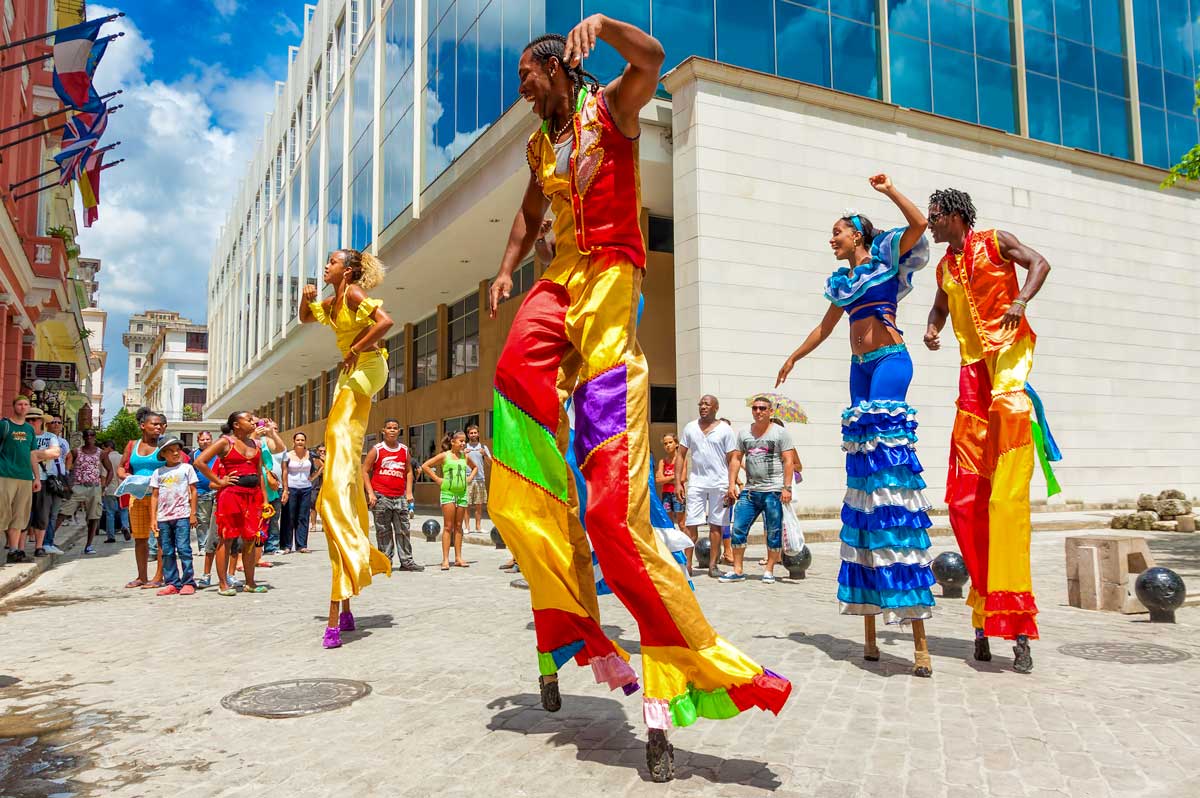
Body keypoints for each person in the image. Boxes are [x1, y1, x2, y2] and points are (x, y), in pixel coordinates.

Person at [485, 19, 789, 778]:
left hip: (613, 277)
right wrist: (504, 269)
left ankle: (674, 683)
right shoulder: (537, 144)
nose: (520, 85)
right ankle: (559, 572)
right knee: (514, 395)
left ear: (558, 68)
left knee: (612, 522)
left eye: (527, 72)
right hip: (561, 279)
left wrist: (605, 26)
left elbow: (651, 58)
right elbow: (530, 212)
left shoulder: (612, 107)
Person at [776, 174, 936, 677]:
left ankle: (916, 636)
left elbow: (919, 223)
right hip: (858, 369)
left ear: (858, 236)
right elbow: (826, 327)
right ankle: (869, 621)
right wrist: (794, 359)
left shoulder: (887, 260)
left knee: (889, 473)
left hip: (890, 359)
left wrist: (888, 191)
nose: (832, 238)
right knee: (864, 481)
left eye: (838, 231)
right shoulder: (842, 284)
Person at [923, 188, 1053, 674]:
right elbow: (939, 306)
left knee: (1004, 502)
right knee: (963, 502)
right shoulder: (945, 269)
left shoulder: (996, 242)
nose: (931, 226)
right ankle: (982, 613)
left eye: (934, 217)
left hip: (1007, 369)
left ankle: (1017, 627)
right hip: (971, 377)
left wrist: (1020, 300)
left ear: (954, 216)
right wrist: (933, 328)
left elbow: (1040, 262)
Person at [299, 248, 395, 649]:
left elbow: (386, 321)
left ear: (349, 270)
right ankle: (341, 490)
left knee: (339, 436)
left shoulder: (353, 294)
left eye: (333, 262)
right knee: (338, 442)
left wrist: (355, 350)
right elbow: (306, 319)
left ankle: (335, 490)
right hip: (350, 370)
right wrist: (303, 299)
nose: (326, 266)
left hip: (368, 366)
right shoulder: (332, 299)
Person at [720, 397, 799, 584]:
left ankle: (769, 569)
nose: (758, 411)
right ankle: (737, 570)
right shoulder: (744, 433)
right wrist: (731, 484)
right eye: (755, 408)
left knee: (773, 531)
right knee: (738, 527)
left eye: (762, 408)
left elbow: (789, 461)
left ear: (771, 412)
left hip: (773, 490)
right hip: (750, 490)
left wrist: (786, 488)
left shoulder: (780, 433)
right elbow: (736, 459)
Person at [193, 412, 270, 597]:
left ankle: (250, 582)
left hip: (253, 496)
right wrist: (219, 481)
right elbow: (199, 461)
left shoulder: (257, 444)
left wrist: (265, 500)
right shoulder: (226, 442)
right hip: (231, 495)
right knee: (226, 538)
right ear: (236, 424)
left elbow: (259, 473)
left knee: (251, 539)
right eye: (248, 419)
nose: (253, 421)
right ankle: (222, 584)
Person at [675, 396, 738, 578]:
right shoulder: (690, 427)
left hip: (720, 483)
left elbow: (732, 458)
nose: (703, 407)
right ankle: (687, 565)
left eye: (707, 404)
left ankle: (713, 565)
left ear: (716, 408)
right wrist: (678, 482)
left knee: (716, 525)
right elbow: (681, 455)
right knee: (691, 524)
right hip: (696, 482)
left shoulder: (725, 430)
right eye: (701, 404)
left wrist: (732, 484)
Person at [3, 398, 60, 564]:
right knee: (12, 514)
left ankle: (27, 548)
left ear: (42, 421)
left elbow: (43, 454)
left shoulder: (40, 434)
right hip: (12, 476)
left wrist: (34, 467)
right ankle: (16, 547)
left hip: (34, 479)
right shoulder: (10, 429)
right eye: (29, 418)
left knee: (31, 515)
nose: (32, 422)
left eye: (35, 419)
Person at [117, 408, 166, 588]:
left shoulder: (165, 445)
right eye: (154, 424)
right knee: (140, 539)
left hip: (159, 497)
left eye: (160, 424)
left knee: (161, 537)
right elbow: (122, 467)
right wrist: (125, 477)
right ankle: (142, 576)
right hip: (137, 497)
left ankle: (159, 576)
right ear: (143, 426)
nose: (158, 427)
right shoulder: (132, 445)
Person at [362, 420, 421, 571]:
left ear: (399, 431)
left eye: (395, 428)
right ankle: (385, 561)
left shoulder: (403, 449)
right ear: (384, 431)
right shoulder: (377, 449)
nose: (392, 431)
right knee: (383, 530)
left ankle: (407, 561)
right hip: (381, 496)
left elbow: (408, 471)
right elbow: (364, 470)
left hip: (400, 496)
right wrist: (370, 493)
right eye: (389, 428)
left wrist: (408, 492)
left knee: (403, 529)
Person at [148, 437, 199, 596]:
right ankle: (172, 583)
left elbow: (193, 491)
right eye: (170, 450)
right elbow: (155, 496)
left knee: (184, 549)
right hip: (163, 518)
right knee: (167, 551)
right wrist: (153, 518)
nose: (175, 453)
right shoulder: (158, 472)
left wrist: (193, 513)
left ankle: (188, 581)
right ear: (163, 454)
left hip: (182, 515)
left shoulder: (186, 468)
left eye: (177, 449)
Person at [421, 430, 475, 571]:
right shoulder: (445, 456)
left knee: (459, 526)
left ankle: (458, 558)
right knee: (448, 526)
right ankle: (445, 559)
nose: (463, 443)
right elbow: (425, 466)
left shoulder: (465, 456)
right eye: (461, 441)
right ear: (453, 442)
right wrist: (438, 479)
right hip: (448, 493)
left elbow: (475, 468)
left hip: (462, 493)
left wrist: (470, 478)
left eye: (464, 441)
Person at [64, 429, 111, 554]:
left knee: (93, 517)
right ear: (83, 437)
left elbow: (110, 470)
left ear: (95, 437)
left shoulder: (101, 453)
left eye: (91, 435)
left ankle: (89, 545)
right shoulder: (76, 452)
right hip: (78, 486)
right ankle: (49, 540)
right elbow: (67, 467)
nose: (89, 437)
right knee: (64, 512)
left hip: (94, 487)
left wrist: (104, 485)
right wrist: (68, 483)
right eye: (87, 435)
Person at [192, 431, 227, 588]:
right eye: (202, 439)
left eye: (208, 439)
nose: (205, 442)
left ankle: (230, 574)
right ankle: (206, 571)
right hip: (204, 493)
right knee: (206, 525)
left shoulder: (222, 456)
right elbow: (197, 468)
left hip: (227, 497)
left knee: (231, 538)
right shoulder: (197, 456)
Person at [35, 414, 71, 555]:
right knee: (44, 512)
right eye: (53, 422)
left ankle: (49, 541)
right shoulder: (43, 438)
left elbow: (68, 456)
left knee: (54, 512)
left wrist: (66, 472)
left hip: (57, 479)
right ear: (47, 424)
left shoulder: (63, 442)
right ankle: (43, 542)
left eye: (59, 422)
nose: (56, 424)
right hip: (44, 478)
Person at [280, 431, 321, 555]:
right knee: (289, 517)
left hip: (306, 488)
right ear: (293, 441)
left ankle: (301, 545)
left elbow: (322, 465)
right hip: (291, 488)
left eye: (302, 440)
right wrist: (285, 489)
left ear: (305, 442)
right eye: (298, 440)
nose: (300, 442)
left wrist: (313, 477)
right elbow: (284, 472)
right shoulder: (287, 455)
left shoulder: (311, 454)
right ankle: (286, 545)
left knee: (303, 517)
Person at [463, 424, 492, 534]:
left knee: (479, 504)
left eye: (475, 432)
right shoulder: (464, 448)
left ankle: (478, 527)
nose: (473, 434)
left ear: (478, 434)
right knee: (466, 504)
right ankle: (466, 527)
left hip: (480, 479)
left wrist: (485, 455)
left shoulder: (483, 448)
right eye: (471, 433)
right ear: (468, 435)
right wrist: (462, 454)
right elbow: (456, 462)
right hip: (467, 479)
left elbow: (491, 463)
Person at [655, 433, 684, 533]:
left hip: (678, 493)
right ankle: (673, 545)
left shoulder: (681, 460)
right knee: (669, 521)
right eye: (665, 443)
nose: (667, 445)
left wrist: (666, 478)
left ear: (676, 444)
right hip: (666, 494)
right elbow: (658, 480)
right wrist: (674, 476)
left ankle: (686, 546)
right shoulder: (662, 461)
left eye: (670, 442)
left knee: (681, 523)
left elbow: (682, 478)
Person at [101, 439, 129, 542]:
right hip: (123, 488)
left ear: (108, 447)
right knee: (124, 510)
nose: (102, 451)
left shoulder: (105, 458)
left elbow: (104, 474)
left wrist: (103, 488)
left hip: (110, 489)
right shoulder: (122, 457)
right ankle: (125, 526)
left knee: (110, 513)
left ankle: (111, 536)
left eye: (103, 448)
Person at [307, 444, 325, 539]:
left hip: (324, 487)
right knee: (313, 506)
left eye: (324, 451)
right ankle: (313, 525)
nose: (322, 453)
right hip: (314, 486)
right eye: (320, 451)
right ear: (317, 451)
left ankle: (324, 526)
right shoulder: (314, 460)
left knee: (323, 507)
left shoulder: (329, 461)